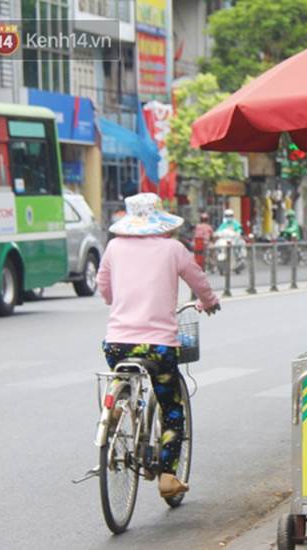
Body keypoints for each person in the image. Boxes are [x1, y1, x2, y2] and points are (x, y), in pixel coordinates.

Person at [97, 193, 220, 499]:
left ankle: (120, 408)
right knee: (171, 408)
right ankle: (167, 476)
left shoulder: (114, 247)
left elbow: (104, 287)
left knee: (127, 378)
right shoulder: (173, 248)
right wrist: (210, 302)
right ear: (160, 220)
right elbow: (198, 280)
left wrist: (118, 301)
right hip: (158, 347)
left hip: (117, 344)